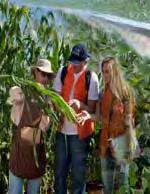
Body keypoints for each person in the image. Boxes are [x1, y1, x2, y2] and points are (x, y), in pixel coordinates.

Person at [77, 57, 138, 194]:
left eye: (108, 72)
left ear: (115, 72)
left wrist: (130, 143)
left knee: (123, 182)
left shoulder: (125, 93)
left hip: (121, 141)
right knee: (107, 183)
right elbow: (99, 117)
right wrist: (88, 117)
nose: (105, 75)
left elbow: (130, 120)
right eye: (103, 72)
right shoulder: (102, 93)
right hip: (106, 142)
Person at [52, 43, 99, 194]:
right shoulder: (63, 71)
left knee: (79, 176)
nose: (74, 65)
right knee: (59, 173)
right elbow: (55, 97)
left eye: (78, 63)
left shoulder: (91, 78)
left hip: (80, 135)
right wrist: (60, 107)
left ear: (86, 61)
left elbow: (91, 108)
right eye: (72, 61)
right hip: (62, 132)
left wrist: (80, 104)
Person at [8, 59, 54, 194]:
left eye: (48, 76)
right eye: (43, 74)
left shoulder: (48, 98)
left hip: (35, 155)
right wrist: (18, 90)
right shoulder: (24, 91)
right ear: (35, 72)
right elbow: (13, 94)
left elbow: (45, 126)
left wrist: (48, 104)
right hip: (20, 155)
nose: (45, 78)